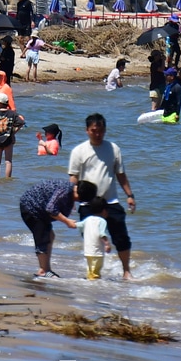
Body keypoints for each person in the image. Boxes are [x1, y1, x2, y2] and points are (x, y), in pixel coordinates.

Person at [67, 113, 136, 280]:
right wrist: (72, 199)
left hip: (111, 201)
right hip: (87, 203)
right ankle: (94, 273)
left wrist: (130, 195)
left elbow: (120, 174)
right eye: (94, 131)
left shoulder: (113, 148)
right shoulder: (79, 151)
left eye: (101, 131)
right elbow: (73, 177)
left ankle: (126, 271)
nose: (98, 134)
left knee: (121, 238)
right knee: (92, 241)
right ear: (87, 130)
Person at [18, 179, 79, 278]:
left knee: (50, 235)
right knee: (43, 238)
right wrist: (67, 221)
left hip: (36, 206)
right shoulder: (66, 190)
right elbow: (50, 209)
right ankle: (43, 270)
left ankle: (47, 269)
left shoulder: (70, 188)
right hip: (31, 207)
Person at [0, 93, 25, 178]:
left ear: (0, 103)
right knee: (8, 161)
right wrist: (13, 133)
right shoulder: (12, 113)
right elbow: (21, 123)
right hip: (8, 139)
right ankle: (7, 179)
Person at [76, 186, 112, 280]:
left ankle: (89, 279)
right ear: (104, 210)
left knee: (90, 268)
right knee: (96, 269)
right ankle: (93, 282)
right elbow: (102, 234)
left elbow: (79, 225)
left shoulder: (87, 219)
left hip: (87, 250)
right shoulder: (102, 221)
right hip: (97, 252)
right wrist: (107, 244)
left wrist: (70, 222)